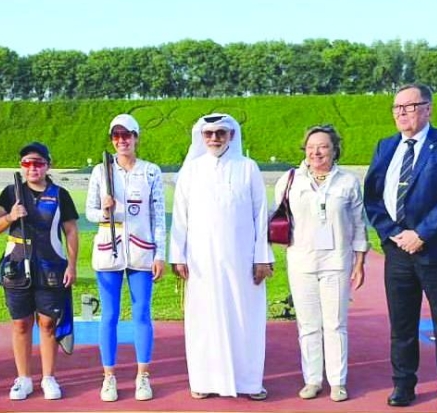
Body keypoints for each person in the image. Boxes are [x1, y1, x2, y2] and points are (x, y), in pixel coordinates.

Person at [364, 84, 437, 413]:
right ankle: (403, 384)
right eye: (397, 107)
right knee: (402, 323)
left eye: (409, 107)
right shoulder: (385, 146)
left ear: (428, 108)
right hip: (397, 251)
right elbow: (373, 196)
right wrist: (392, 233)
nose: (401, 113)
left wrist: (421, 234)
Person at [169, 113, 273, 401]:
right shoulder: (191, 170)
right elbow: (180, 216)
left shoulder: (248, 168)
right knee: (203, 319)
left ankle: (249, 382)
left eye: (221, 133)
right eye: (209, 133)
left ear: (231, 136)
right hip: (201, 262)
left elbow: (260, 214)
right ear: (201, 137)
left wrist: (262, 257)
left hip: (242, 261)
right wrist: (178, 256)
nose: (214, 138)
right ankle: (204, 380)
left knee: (245, 317)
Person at [273, 125, 368, 403]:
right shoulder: (290, 180)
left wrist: (359, 262)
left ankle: (338, 381)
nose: (316, 152)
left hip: (336, 260)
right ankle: (312, 379)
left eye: (323, 146)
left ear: (335, 149)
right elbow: (274, 216)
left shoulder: (348, 181)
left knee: (335, 323)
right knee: (308, 324)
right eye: (311, 146)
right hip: (301, 260)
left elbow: (359, 223)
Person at [84, 114, 166, 402]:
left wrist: (161, 254)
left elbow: (157, 217)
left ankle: (143, 375)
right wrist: (104, 211)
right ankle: (109, 377)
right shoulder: (100, 171)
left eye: (127, 135)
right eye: (116, 136)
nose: (122, 140)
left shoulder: (151, 171)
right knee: (109, 316)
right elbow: (90, 212)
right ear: (112, 140)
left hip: (142, 252)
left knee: (142, 313)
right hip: (109, 251)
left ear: (136, 137)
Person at [0, 142, 79, 401]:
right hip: (16, 268)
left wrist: (71, 265)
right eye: (27, 163)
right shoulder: (10, 193)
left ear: (47, 165)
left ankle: (48, 377)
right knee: (20, 323)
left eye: (38, 163)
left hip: (51, 267)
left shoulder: (60, 194)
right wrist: (10, 217)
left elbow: (71, 231)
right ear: (21, 166)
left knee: (48, 323)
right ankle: (24, 378)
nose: (32, 168)